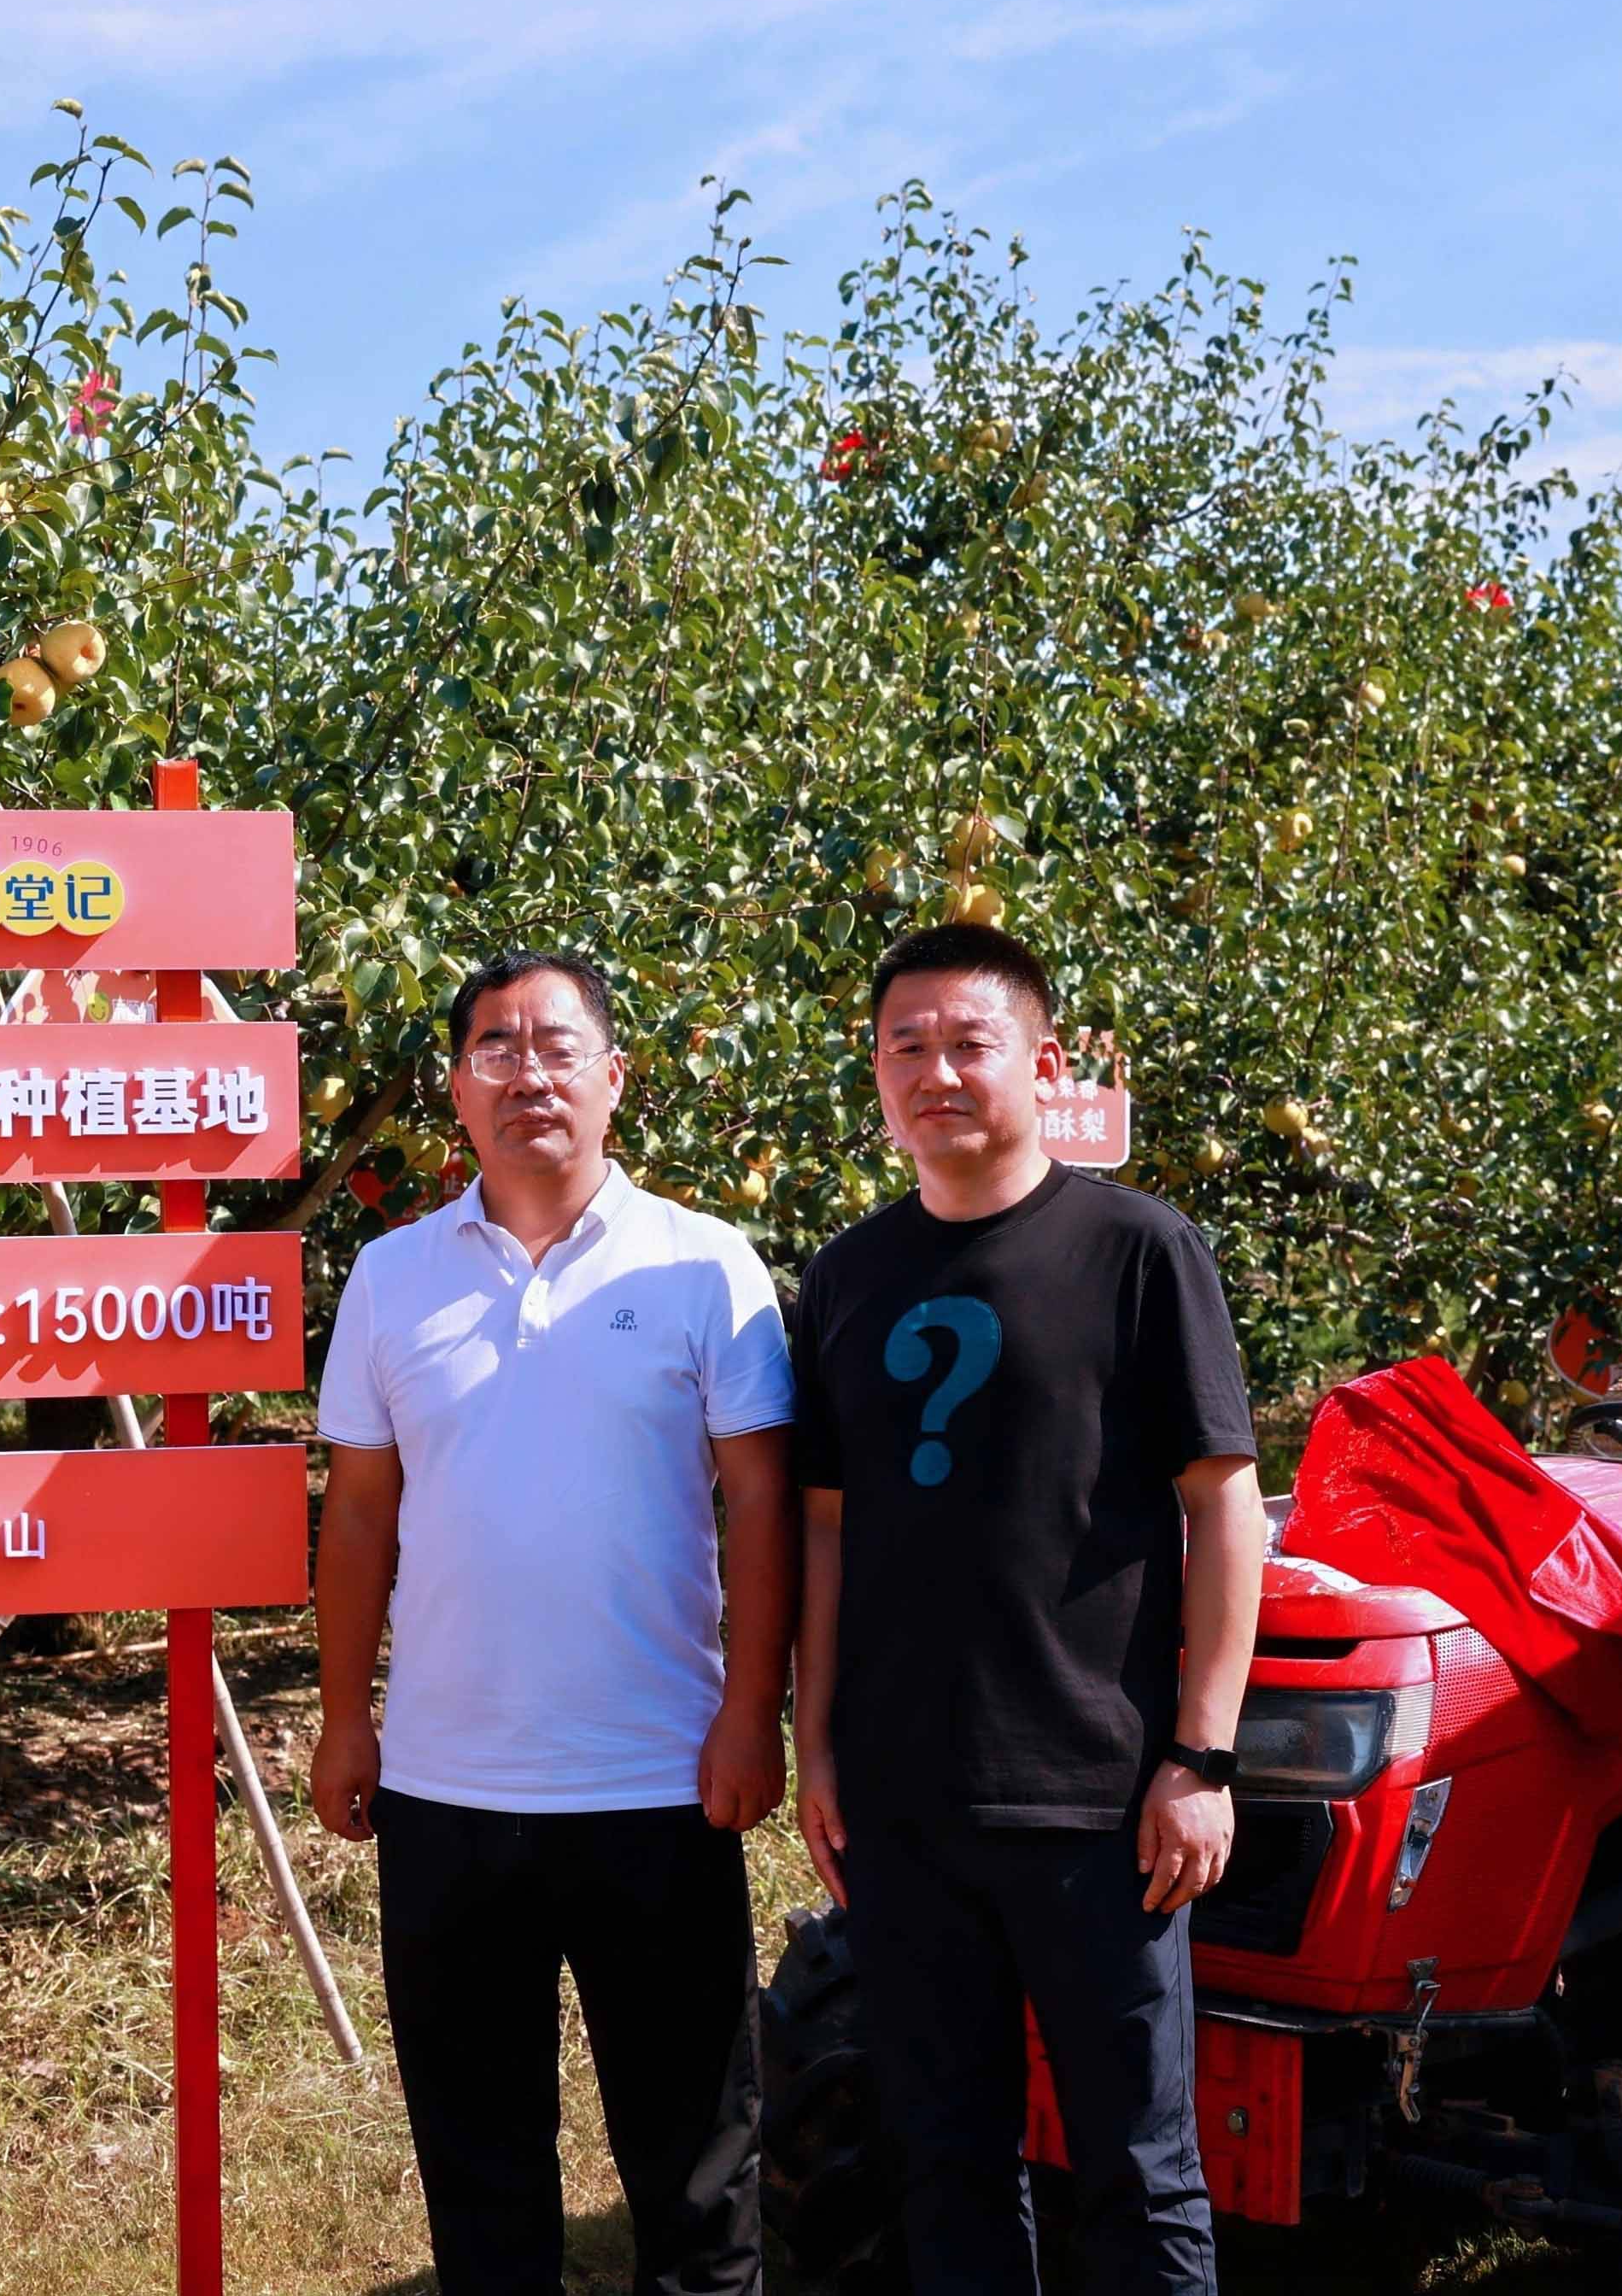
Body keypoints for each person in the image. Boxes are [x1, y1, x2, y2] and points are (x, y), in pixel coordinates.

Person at [311, 948, 796, 2296]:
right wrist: (347, 1717)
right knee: (482, 2174)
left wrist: (751, 1712)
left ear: (614, 1079)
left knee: (698, 2167)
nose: (527, 1071)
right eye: (496, 1047)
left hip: (660, 1783)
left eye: (557, 1045)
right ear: (457, 1088)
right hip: (448, 1792)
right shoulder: (395, 1278)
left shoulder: (708, 1266)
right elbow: (357, 1513)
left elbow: (760, 1504)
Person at [788, 923, 1262, 2294]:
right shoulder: (845, 1277)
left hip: (1099, 1800)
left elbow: (1222, 1504)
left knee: (1138, 2173)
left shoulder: (1138, 1249)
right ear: (877, 1073)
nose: (936, 1071)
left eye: (969, 1042)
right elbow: (825, 1527)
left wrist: (1203, 1755)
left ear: (1042, 1064)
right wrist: (817, 1748)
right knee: (946, 2164)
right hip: (904, 1802)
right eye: (906, 1047)